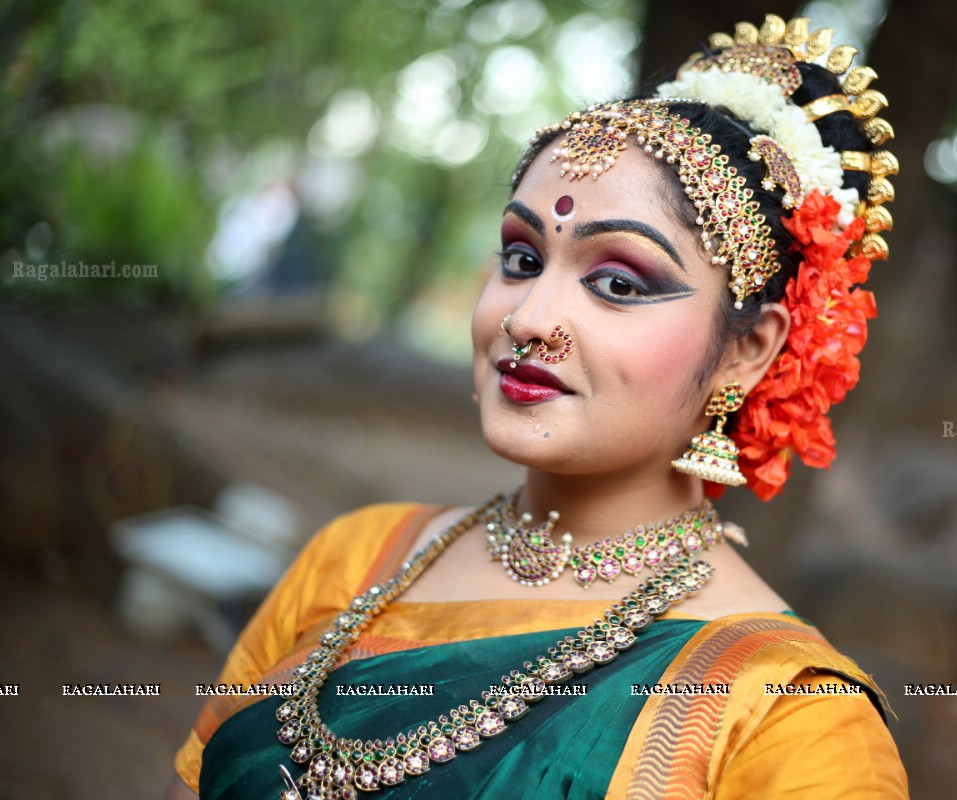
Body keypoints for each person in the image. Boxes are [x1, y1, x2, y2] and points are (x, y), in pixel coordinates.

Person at [169, 13, 905, 799]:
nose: (527, 319)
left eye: (618, 282)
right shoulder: (353, 558)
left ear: (747, 348)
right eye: (521, 258)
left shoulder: (791, 718)